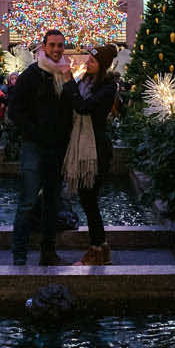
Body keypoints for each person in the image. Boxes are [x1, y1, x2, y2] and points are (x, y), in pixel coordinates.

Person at [8, 29, 74, 266]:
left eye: (60, 46)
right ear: (44, 47)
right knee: (27, 201)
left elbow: (72, 106)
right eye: (53, 45)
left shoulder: (66, 74)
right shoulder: (31, 74)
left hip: (56, 149)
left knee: (53, 202)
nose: (57, 50)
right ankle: (19, 253)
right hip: (34, 146)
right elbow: (15, 110)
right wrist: (34, 132)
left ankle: (48, 253)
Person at [61, 44, 118, 266]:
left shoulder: (107, 87)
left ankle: (96, 250)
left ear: (102, 66)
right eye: (88, 60)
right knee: (88, 201)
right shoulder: (86, 82)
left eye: (92, 62)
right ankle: (100, 248)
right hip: (85, 145)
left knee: (90, 201)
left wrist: (68, 82)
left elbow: (83, 107)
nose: (87, 63)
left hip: (96, 150)